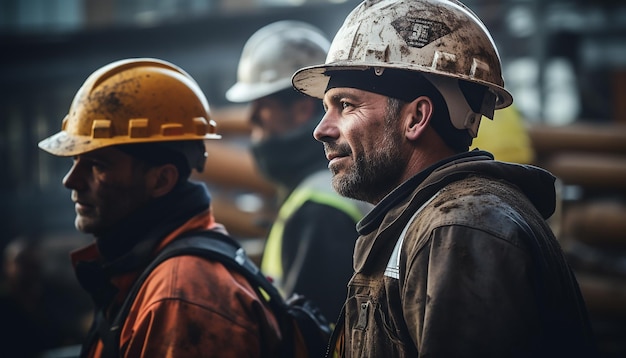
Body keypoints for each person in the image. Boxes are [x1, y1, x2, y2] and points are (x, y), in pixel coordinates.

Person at [291, 0, 597, 356]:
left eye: (346, 104)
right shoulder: (428, 222)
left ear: (417, 118)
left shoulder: (460, 229)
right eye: (326, 108)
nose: (321, 130)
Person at [38, 58, 281, 357]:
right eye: (75, 162)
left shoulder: (183, 297)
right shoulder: (150, 272)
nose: (70, 181)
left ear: (162, 179)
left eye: (97, 166)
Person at [225, 20, 372, 321]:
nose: (251, 119)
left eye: (260, 105)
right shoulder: (320, 191)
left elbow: (315, 338)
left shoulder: (319, 209)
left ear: (302, 109)